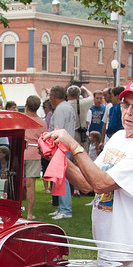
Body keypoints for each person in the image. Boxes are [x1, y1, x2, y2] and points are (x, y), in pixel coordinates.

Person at [45, 78, 133, 267]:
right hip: (108, 250)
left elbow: (101, 184)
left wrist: (72, 144)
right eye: (126, 104)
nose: (129, 112)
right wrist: (57, 157)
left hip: (128, 255)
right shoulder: (118, 137)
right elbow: (86, 184)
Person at [48, 85, 79, 219]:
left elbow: (57, 130)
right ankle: (62, 206)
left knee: (62, 179)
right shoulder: (68, 107)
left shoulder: (61, 109)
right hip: (66, 145)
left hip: (61, 147)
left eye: (50, 96)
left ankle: (65, 209)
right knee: (61, 178)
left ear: (54, 97)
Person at [22, 95, 45, 220]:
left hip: (21, 152)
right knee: (31, 185)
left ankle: (16, 210)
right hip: (34, 154)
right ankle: (29, 214)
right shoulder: (42, 123)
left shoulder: (21, 119)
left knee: (17, 183)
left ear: (26, 105)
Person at [88, 91, 107, 159]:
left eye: (100, 98)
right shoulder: (90, 108)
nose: (99, 100)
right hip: (91, 135)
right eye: (97, 98)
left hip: (99, 136)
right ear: (94, 98)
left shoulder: (104, 108)